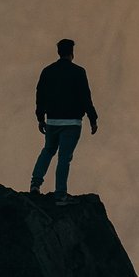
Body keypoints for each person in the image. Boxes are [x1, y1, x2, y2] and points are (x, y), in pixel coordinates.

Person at [29, 38, 99, 199]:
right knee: (64, 158)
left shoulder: (47, 71)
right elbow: (85, 97)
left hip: (53, 120)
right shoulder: (79, 72)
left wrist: (40, 118)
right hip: (72, 122)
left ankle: (35, 184)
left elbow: (40, 96)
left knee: (48, 151)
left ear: (58, 52)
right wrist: (93, 119)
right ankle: (60, 195)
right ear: (72, 53)